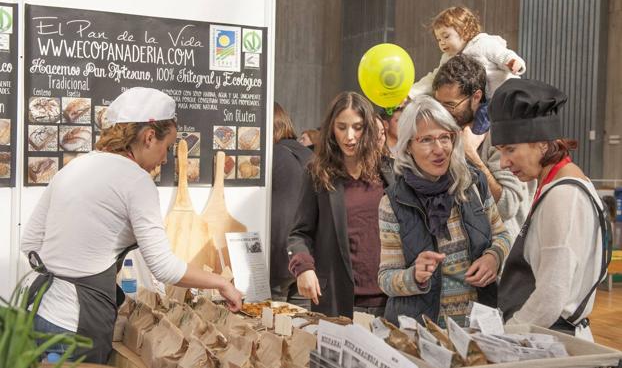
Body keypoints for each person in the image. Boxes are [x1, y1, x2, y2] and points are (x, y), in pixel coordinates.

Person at [21, 87, 243, 363]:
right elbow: (163, 267)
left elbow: (29, 243)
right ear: (149, 137)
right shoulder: (137, 182)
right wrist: (221, 283)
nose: (165, 158)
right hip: (77, 325)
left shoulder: (74, 167)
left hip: (39, 312)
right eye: (168, 147)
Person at [492, 79, 611, 340]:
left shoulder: (563, 196)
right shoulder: (557, 186)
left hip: (552, 340)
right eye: (500, 151)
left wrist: (504, 338)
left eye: (510, 149)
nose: (503, 162)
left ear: (542, 144)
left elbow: (551, 295)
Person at [378, 95, 511, 327]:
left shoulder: (473, 182)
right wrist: (414, 276)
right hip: (423, 332)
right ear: (408, 146)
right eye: (426, 140)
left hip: (478, 328)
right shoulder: (394, 202)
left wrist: (493, 257)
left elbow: (502, 235)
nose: (439, 149)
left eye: (444, 137)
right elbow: (386, 278)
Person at [287, 91, 394, 318]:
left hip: (389, 300)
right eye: (341, 127)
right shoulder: (318, 174)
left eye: (358, 127)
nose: (350, 136)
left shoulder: (391, 172)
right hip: (338, 300)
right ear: (331, 129)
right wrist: (303, 267)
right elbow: (299, 234)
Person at [433, 54, 535, 240]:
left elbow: (506, 206)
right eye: (439, 104)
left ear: (476, 97)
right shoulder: (446, 133)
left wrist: (471, 155)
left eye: (450, 105)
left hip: (503, 259)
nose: (443, 113)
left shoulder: (502, 132)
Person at [409, 6, 525, 101]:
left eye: (446, 36)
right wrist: (412, 93)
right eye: (438, 39)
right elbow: (434, 78)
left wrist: (512, 62)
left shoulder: (483, 43)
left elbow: (502, 55)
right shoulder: (448, 58)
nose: (442, 43)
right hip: (482, 101)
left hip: (506, 94)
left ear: (464, 31)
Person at [271, 102, 313, 309]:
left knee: (271, 331)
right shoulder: (309, 155)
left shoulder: (270, 156)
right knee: (300, 329)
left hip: (276, 262)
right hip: (307, 260)